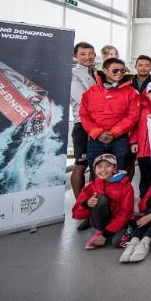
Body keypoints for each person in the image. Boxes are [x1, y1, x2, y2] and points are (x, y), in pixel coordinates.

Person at [79, 58, 140, 175]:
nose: (119, 73)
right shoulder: (90, 92)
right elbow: (84, 115)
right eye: (115, 70)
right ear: (105, 70)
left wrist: (115, 132)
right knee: (96, 176)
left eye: (123, 71)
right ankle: (98, 194)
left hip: (120, 140)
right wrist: (97, 132)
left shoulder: (131, 92)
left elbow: (133, 116)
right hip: (96, 140)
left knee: (117, 175)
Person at [72, 153, 133, 250]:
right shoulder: (92, 185)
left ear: (114, 168)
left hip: (120, 220)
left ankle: (128, 227)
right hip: (101, 222)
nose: (103, 170)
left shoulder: (125, 184)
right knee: (100, 199)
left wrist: (105, 235)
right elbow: (76, 214)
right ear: (95, 170)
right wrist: (86, 204)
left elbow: (125, 213)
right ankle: (100, 231)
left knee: (117, 242)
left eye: (108, 166)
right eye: (99, 167)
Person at [70, 42, 96, 200]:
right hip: (83, 124)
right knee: (81, 165)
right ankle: (80, 204)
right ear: (75, 56)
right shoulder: (73, 74)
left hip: (99, 125)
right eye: (83, 54)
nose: (87, 57)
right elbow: (82, 99)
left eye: (90, 53)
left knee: (96, 166)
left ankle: (92, 203)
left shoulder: (96, 73)